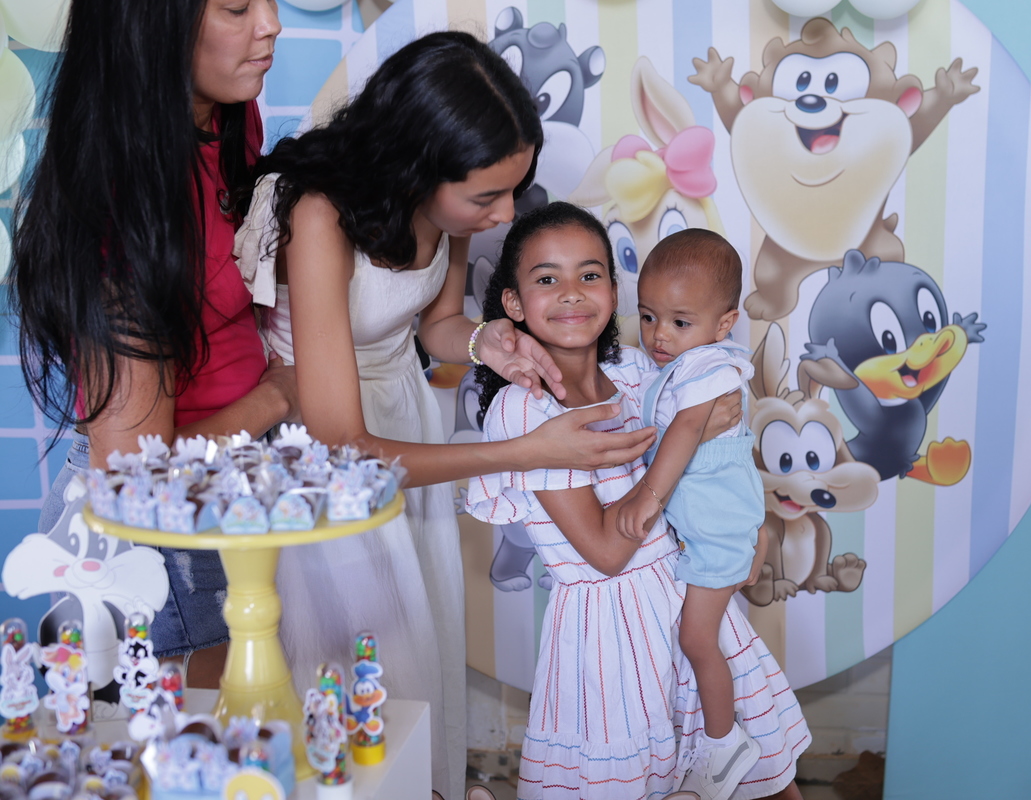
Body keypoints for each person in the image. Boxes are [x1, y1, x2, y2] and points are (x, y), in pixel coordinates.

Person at [232, 32, 714, 799]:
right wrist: (526, 450)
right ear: (416, 165)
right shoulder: (319, 216)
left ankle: (426, 785)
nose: (503, 214)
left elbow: (435, 327)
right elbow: (345, 447)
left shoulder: (445, 211)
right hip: (334, 455)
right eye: (486, 197)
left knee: (422, 640)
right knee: (363, 660)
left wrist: (486, 338)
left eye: (512, 190)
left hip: (407, 420)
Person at [467, 202, 808, 800]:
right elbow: (606, 552)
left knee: (765, 778)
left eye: (589, 274)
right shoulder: (526, 410)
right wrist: (676, 456)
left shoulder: (637, 375)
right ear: (514, 304)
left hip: (684, 593)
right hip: (613, 634)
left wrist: (749, 525)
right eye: (547, 278)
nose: (571, 293)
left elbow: (716, 458)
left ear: (614, 289)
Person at [11, 0, 299, 685]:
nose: (271, 23)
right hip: (156, 534)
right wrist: (280, 395)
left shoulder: (229, 118)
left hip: (227, 487)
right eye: (236, 7)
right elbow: (133, 471)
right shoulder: (121, 208)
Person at [617, 229, 767, 800]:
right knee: (695, 639)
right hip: (707, 529)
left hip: (718, 535)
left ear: (724, 324)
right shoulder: (677, 367)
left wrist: (646, 496)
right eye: (648, 316)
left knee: (697, 639)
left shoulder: (711, 369)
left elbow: (684, 431)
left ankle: (725, 745)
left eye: (680, 321)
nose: (659, 334)